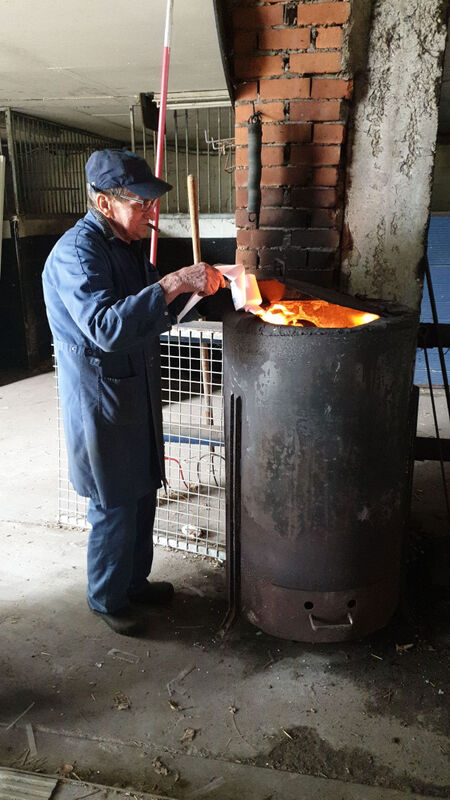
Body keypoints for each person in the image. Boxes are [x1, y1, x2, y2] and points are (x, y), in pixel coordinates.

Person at [42, 149, 225, 636]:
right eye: (140, 203)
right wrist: (172, 282)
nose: (150, 212)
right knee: (115, 500)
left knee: (143, 489)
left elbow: (152, 309)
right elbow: (105, 326)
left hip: (135, 388)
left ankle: (134, 582)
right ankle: (106, 597)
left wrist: (195, 290)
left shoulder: (125, 246)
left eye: (150, 202)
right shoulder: (77, 253)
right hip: (101, 398)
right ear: (104, 203)